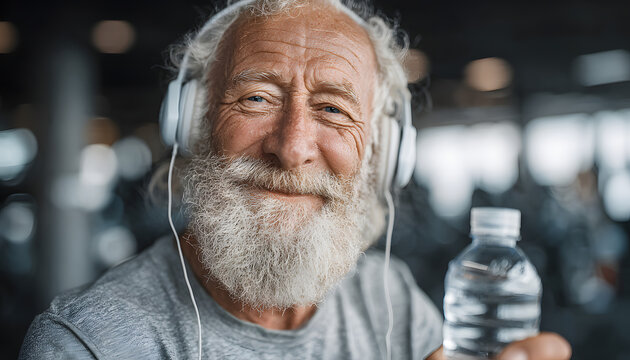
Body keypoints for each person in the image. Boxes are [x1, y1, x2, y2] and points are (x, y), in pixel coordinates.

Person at [20, 0, 572, 359]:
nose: (291, 148)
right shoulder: (89, 342)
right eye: (257, 98)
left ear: (383, 153)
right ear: (194, 126)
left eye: (333, 110)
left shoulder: (390, 300)